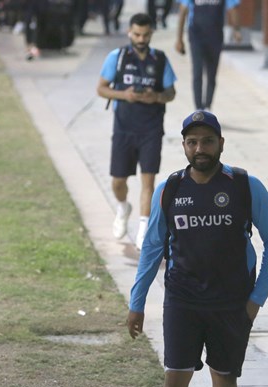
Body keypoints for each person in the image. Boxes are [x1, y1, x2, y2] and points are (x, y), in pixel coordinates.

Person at [127, 110, 268, 387]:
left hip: (231, 303)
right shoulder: (170, 188)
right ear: (183, 146)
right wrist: (137, 301)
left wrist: (255, 302)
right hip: (182, 299)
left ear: (220, 144)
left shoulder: (245, 186)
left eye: (207, 141)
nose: (200, 148)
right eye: (192, 142)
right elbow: (151, 248)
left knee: (223, 377)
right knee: (175, 378)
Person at [97, 13, 177, 250]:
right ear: (129, 32)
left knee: (148, 180)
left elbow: (171, 93)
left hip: (152, 128)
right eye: (137, 34)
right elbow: (101, 89)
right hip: (124, 127)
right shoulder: (118, 57)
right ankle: (123, 207)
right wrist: (125, 95)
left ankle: (143, 230)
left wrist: (157, 96)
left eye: (145, 34)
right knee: (118, 180)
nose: (141, 39)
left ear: (151, 33)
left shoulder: (160, 59)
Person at [175, 0, 242, 111]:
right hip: (196, 36)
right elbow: (182, 11)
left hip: (215, 36)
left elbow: (233, 9)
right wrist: (179, 39)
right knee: (197, 72)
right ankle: (198, 108)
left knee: (212, 74)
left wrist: (236, 30)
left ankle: (208, 106)